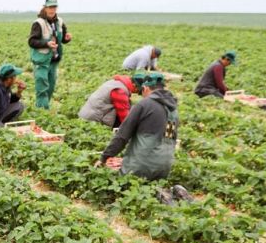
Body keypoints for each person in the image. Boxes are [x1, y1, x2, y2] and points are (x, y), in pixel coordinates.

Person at [100, 73, 190, 204]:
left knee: (124, 185)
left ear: (146, 88)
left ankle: (157, 194)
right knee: (151, 182)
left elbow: (122, 136)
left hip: (142, 165)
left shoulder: (145, 104)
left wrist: (104, 157)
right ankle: (171, 191)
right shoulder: (173, 110)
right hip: (165, 165)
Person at [28, 0, 71, 109]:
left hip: (53, 61)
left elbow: (62, 39)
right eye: (50, 7)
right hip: (41, 61)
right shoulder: (39, 23)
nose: (52, 9)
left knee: (50, 87)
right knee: (42, 88)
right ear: (45, 8)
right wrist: (46, 43)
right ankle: (42, 112)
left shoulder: (60, 22)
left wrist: (67, 38)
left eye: (54, 7)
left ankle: (43, 108)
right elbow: (32, 41)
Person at [78, 73, 145, 129]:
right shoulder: (120, 91)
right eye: (138, 90)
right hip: (91, 120)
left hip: (86, 114)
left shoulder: (116, 82)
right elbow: (124, 115)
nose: (136, 92)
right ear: (134, 85)